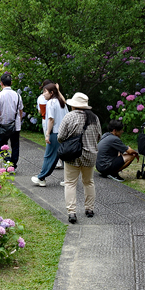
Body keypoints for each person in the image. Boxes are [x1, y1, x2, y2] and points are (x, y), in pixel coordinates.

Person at [56, 92, 102, 223]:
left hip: (72, 155)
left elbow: (60, 137)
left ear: (74, 106)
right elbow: (99, 135)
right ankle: (89, 209)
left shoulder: (69, 117)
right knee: (89, 182)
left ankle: (72, 212)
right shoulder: (94, 118)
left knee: (70, 183)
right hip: (90, 155)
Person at [31, 83, 67, 186]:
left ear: (51, 93)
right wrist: (58, 90)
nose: (43, 94)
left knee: (49, 155)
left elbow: (51, 119)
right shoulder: (61, 102)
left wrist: (47, 134)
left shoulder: (51, 103)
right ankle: (68, 179)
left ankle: (41, 178)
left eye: (45, 92)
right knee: (64, 157)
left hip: (55, 133)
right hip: (64, 133)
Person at [0, 73, 24, 170]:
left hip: (3, 124)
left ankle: (7, 160)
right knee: (15, 145)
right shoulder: (17, 95)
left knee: (2, 144)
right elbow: (20, 110)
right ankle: (13, 163)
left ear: (1, 83)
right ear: (11, 83)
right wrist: (19, 120)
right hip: (15, 125)